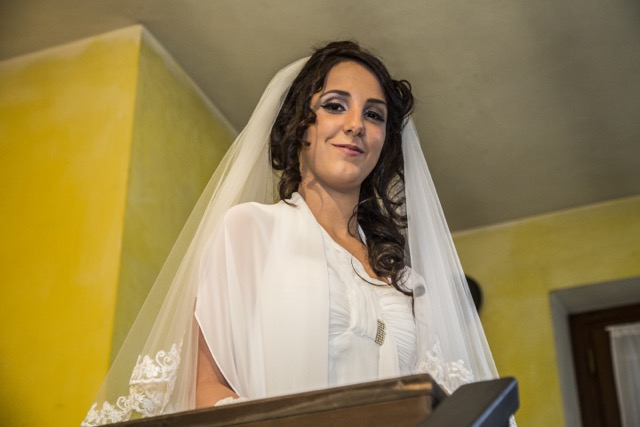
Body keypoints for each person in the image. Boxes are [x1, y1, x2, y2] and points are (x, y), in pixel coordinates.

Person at [82, 41, 499, 426]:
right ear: (301, 126)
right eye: (335, 106)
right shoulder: (250, 232)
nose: (356, 124)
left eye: (374, 115)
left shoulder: (407, 282)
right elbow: (203, 387)